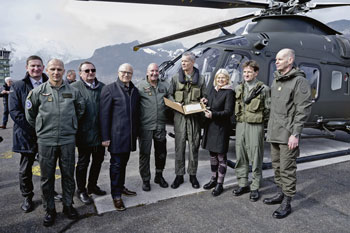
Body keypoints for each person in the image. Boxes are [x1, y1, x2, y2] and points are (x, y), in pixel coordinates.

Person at [25, 58, 85, 226]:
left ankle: (68, 205)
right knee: (47, 178)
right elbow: (30, 115)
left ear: (64, 71)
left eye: (59, 69)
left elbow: (80, 109)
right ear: (47, 70)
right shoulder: (38, 92)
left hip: (67, 140)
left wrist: (71, 123)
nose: (56, 72)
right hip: (46, 140)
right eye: (52, 69)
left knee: (68, 175)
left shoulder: (72, 91)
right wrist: (42, 127)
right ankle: (49, 209)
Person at [264, 48, 312, 219]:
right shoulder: (276, 80)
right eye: (276, 59)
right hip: (274, 132)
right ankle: (280, 193)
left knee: (287, 169)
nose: (276, 62)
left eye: (280, 59)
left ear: (290, 60)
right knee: (276, 166)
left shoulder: (299, 82)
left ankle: (287, 202)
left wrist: (295, 133)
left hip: (287, 134)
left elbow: (303, 109)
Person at [9, 56, 49, 213]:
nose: (36, 69)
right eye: (33, 66)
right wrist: (35, 129)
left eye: (39, 66)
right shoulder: (18, 86)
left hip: (47, 135)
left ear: (43, 67)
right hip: (26, 135)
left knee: (48, 167)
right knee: (25, 170)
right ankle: (27, 197)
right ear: (27, 67)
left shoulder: (50, 84)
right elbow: (15, 112)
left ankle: (49, 192)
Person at [100, 63, 140, 211]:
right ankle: (116, 196)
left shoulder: (134, 91)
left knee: (123, 165)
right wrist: (105, 137)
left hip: (129, 138)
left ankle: (121, 187)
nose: (126, 75)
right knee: (116, 166)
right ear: (118, 73)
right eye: (123, 72)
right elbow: (104, 115)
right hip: (116, 137)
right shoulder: (109, 89)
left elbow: (136, 115)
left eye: (129, 73)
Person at [232, 60, 270, 202]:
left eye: (249, 72)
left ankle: (255, 186)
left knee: (256, 156)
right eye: (245, 72)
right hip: (241, 124)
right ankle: (242, 184)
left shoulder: (263, 89)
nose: (246, 74)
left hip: (255, 125)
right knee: (240, 154)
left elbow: (268, 109)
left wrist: (258, 120)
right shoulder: (239, 88)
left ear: (256, 73)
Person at [168, 51, 207, 189]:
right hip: (179, 117)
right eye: (182, 61)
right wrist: (175, 103)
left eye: (186, 61)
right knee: (179, 147)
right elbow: (169, 95)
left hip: (194, 117)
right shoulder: (174, 78)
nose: (183, 63)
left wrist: (203, 100)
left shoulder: (201, 79)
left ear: (193, 62)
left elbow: (205, 96)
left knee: (194, 146)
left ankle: (192, 175)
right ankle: (179, 175)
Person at [72, 62, 106, 205]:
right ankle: (81, 190)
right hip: (83, 135)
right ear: (80, 73)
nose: (90, 72)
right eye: (87, 70)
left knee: (98, 161)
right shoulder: (74, 88)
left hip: (99, 135)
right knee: (83, 164)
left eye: (93, 70)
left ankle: (92, 185)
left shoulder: (103, 88)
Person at [201, 69, 234, 196]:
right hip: (211, 127)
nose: (220, 80)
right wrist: (205, 101)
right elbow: (210, 103)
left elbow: (228, 112)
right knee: (212, 156)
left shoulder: (229, 92)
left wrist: (213, 115)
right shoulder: (213, 90)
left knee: (221, 157)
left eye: (223, 78)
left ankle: (220, 183)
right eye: (218, 78)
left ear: (227, 79)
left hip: (221, 128)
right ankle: (213, 179)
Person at [137, 63, 169, 192]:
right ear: (147, 72)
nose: (154, 73)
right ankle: (145, 179)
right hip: (145, 127)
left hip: (160, 125)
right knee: (145, 154)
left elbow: (169, 99)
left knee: (161, 153)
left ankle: (159, 175)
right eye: (152, 71)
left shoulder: (164, 86)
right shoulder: (140, 86)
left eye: (156, 71)